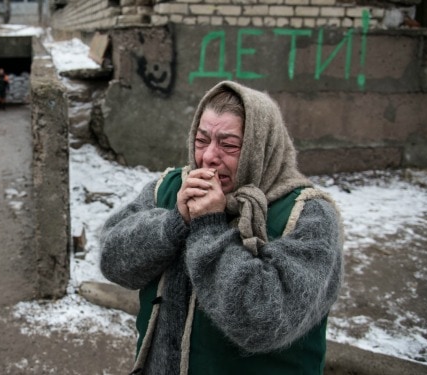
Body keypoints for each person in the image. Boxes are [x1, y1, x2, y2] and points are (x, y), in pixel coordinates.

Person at [99, 81, 344, 374]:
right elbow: (112, 261)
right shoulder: (171, 189)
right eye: (202, 140)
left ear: (260, 147)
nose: (208, 157)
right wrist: (174, 223)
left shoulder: (308, 215)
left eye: (228, 145)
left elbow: (264, 319)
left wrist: (208, 227)